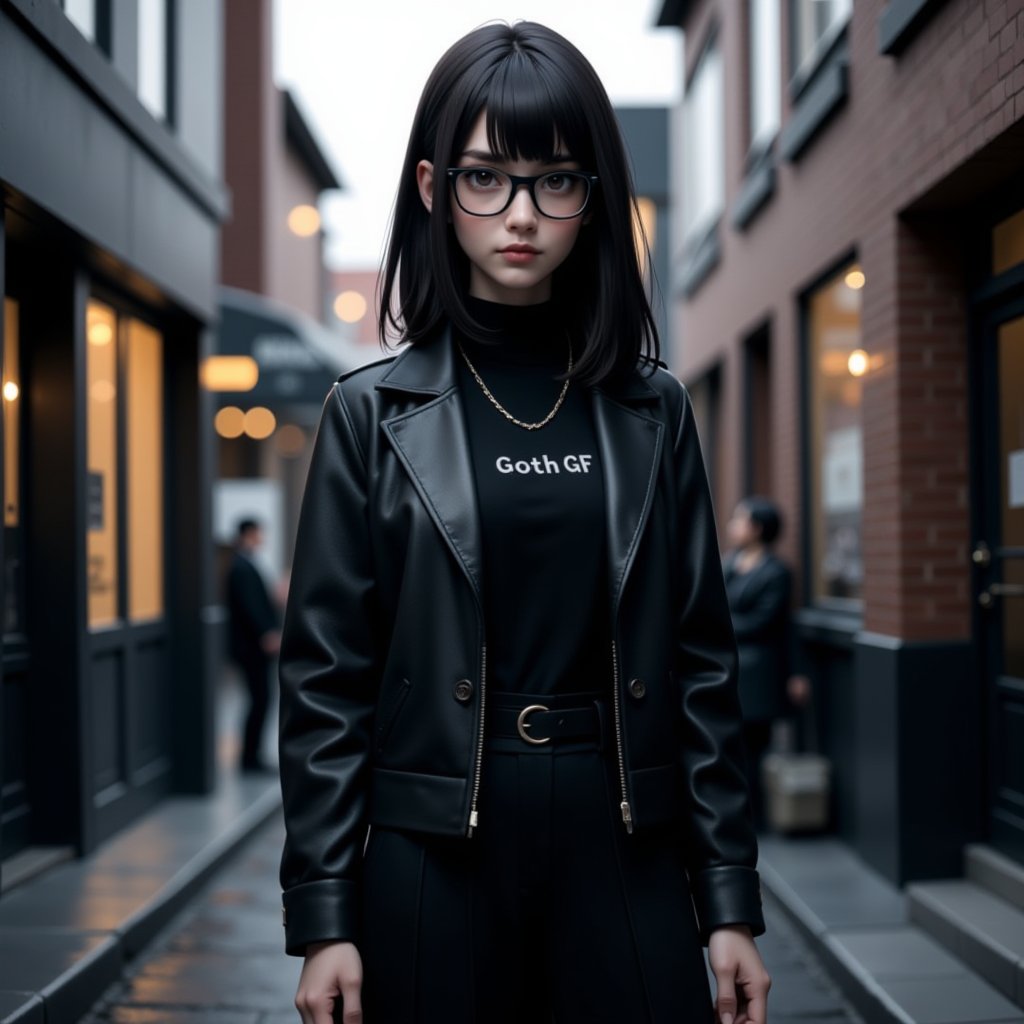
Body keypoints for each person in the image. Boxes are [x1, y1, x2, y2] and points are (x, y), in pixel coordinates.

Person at [278, 21, 770, 1024]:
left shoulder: (651, 408)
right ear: (431, 188)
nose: (520, 213)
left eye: (554, 180)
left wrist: (727, 902)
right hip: (433, 849)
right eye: (485, 177)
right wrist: (325, 915)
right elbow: (326, 679)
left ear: (592, 201)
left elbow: (702, 664)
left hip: (623, 839)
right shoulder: (369, 415)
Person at [723, 497, 793, 830]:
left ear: (758, 529)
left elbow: (763, 622)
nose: (732, 526)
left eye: (739, 520)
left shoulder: (776, 573)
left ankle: (755, 819)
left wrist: (718, 624)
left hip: (758, 676)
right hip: (728, 670)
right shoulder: (727, 564)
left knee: (754, 750)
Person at [226, 518, 281, 773]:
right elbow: (251, 607)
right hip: (251, 648)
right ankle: (250, 758)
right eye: (260, 533)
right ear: (249, 533)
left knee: (260, 700)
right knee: (259, 700)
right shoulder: (242, 566)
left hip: (251, 647)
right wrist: (266, 634)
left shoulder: (244, 564)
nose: (263, 538)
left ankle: (252, 755)